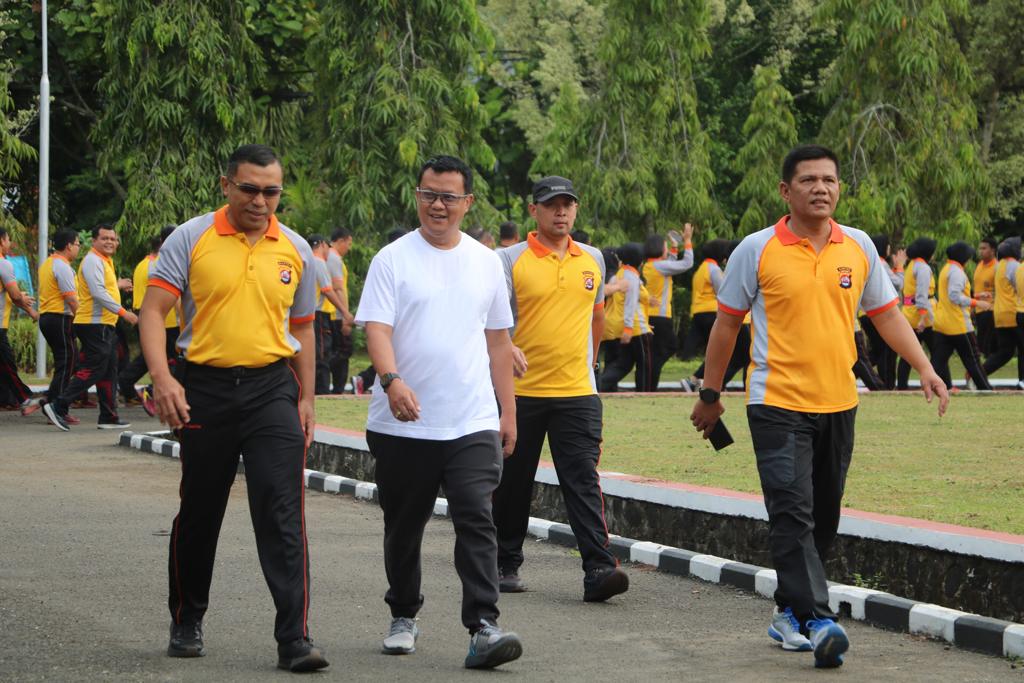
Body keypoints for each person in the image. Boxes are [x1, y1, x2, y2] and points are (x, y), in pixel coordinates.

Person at [690, 145, 947, 670]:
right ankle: (818, 620)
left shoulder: (858, 248)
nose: (821, 188)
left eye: (829, 179)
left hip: (839, 402)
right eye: (808, 180)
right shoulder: (756, 249)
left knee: (823, 513)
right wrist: (711, 396)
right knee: (792, 509)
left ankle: (789, 611)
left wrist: (925, 366)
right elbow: (726, 326)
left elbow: (887, 315)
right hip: (775, 402)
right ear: (786, 191)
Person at [138, 144, 328, 672]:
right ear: (227, 186)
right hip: (205, 389)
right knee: (201, 509)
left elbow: (304, 329)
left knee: (282, 510)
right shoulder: (190, 237)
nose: (260, 201)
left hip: (272, 389)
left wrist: (307, 397)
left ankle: (294, 637)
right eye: (249, 189)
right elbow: (153, 312)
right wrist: (164, 380)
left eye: (271, 191)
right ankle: (187, 618)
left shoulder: (294, 249)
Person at [356, 155, 523, 669]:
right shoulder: (392, 259)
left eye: (450, 197)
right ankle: (403, 613)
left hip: (470, 419)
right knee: (404, 526)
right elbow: (377, 330)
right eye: (430, 194)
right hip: (403, 422)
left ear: (467, 203)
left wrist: (508, 413)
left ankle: (484, 626)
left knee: (477, 516)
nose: (439, 205)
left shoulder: (486, 262)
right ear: (417, 195)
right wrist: (391, 381)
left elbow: (498, 343)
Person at [492, 175, 628, 602]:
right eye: (552, 205)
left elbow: (596, 316)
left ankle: (599, 569)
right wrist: (507, 346)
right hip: (520, 392)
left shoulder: (592, 259)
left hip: (576, 393)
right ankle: (504, 562)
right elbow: (487, 321)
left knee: (582, 479)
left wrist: (590, 360)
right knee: (513, 481)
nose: (561, 212)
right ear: (534, 211)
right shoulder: (507, 260)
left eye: (568, 204)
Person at [42, 224, 137, 430]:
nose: (110, 242)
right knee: (95, 368)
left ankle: (108, 416)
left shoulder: (105, 261)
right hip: (93, 324)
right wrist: (124, 313)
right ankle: (59, 405)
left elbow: (108, 290)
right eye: (105, 238)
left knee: (109, 370)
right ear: (94, 241)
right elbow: (98, 293)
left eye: (113, 239)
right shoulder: (93, 261)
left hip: (104, 324)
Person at [119, 226, 179, 413]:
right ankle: (149, 390)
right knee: (178, 360)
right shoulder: (161, 264)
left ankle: (129, 386)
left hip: (147, 317)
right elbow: (173, 295)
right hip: (163, 321)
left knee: (150, 359)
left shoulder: (144, 264)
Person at [31, 230, 81, 418]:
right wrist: (82, 323)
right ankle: (56, 407)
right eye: (77, 244)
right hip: (60, 318)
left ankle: (51, 402)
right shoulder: (62, 266)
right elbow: (72, 300)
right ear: (69, 245)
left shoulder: (48, 264)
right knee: (68, 363)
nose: (78, 248)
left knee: (67, 362)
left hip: (48, 318)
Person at [351, 227, 406, 395]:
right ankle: (364, 379)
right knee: (389, 353)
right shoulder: (386, 260)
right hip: (389, 324)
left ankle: (363, 379)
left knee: (392, 355)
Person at [931, 241, 993, 390]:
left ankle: (936, 386)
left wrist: (977, 295)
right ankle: (985, 389)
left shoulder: (947, 269)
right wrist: (977, 303)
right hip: (959, 325)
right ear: (962, 257)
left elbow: (950, 293)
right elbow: (954, 296)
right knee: (973, 360)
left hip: (943, 323)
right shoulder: (957, 272)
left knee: (938, 361)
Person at [643, 224, 695, 389]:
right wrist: (687, 241)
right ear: (659, 249)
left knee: (656, 352)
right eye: (666, 246)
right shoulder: (661, 266)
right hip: (660, 316)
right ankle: (653, 373)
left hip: (649, 315)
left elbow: (670, 265)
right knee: (670, 346)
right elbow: (687, 263)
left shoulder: (649, 265)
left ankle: (650, 385)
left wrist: (674, 246)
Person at [599, 243, 654, 392]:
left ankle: (600, 385)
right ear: (639, 260)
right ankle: (645, 393)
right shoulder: (633, 277)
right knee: (645, 364)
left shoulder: (619, 274)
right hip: (636, 327)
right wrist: (629, 327)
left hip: (623, 325)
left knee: (624, 364)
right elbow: (630, 304)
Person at [681, 239, 733, 390]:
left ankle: (698, 379)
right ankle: (699, 380)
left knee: (714, 351)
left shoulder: (701, 269)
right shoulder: (714, 269)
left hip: (698, 311)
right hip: (711, 312)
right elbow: (723, 291)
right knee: (720, 351)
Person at [858, 235, 905, 388]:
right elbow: (898, 283)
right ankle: (885, 384)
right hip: (876, 313)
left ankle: (877, 381)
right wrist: (900, 266)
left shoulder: (872, 261)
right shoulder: (881, 263)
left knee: (876, 350)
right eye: (888, 246)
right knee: (887, 349)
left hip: (865, 314)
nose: (890, 249)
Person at [0, 228, 39, 410]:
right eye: (8, 240)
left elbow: (10, 296)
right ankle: (25, 398)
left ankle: (7, 399)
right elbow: (15, 295)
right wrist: (22, 298)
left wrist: (30, 311)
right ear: (1, 241)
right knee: (7, 364)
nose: (10, 244)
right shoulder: (3, 264)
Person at [308, 234, 347, 394]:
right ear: (323, 245)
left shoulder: (305, 260)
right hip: (318, 314)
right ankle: (321, 391)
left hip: (307, 313)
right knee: (322, 355)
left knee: (313, 353)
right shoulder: (318, 262)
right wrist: (344, 312)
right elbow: (328, 290)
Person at [896, 237, 937, 390]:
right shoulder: (923, 268)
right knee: (937, 352)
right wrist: (922, 317)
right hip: (922, 316)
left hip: (909, 313)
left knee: (908, 354)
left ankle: (901, 386)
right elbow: (921, 295)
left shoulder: (911, 265)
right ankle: (944, 382)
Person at [982, 237, 1021, 383]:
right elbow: (1020, 288)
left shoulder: (1000, 265)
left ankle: (979, 372)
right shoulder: (1015, 266)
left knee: (1006, 352)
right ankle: (1022, 382)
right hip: (1013, 313)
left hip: (1000, 314)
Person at [327, 228, 355, 393]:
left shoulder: (332, 257)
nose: (349, 248)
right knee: (343, 351)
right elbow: (338, 288)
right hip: (335, 313)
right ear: (341, 241)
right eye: (348, 243)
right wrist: (345, 314)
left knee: (341, 351)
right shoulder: (334, 258)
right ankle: (336, 388)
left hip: (335, 311)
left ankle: (336, 387)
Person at [973, 237, 998, 357]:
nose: (981, 251)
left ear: (992, 251)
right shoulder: (979, 265)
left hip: (990, 310)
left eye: (984, 248)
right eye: (980, 248)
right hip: (978, 309)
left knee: (986, 344)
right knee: (981, 343)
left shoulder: (996, 267)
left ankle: (984, 368)